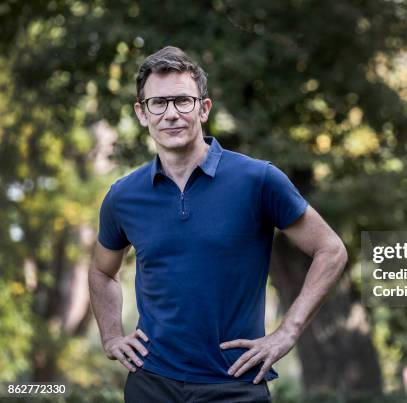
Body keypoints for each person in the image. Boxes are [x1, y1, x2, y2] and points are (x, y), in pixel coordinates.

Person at [89, 46, 347, 403]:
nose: (171, 114)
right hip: (151, 384)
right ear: (142, 114)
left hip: (234, 384)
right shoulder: (123, 196)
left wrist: (287, 332)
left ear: (204, 108)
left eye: (183, 101)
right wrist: (112, 336)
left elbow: (330, 250)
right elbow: (102, 272)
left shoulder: (258, 180)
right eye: (158, 104)